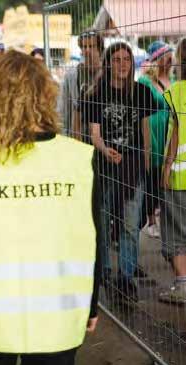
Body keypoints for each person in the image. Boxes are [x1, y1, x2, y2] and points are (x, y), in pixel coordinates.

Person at [0, 49, 99, 365]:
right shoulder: (77, 159)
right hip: (57, 319)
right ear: (46, 96)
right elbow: (89, 239)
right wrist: (92, 305)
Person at [86, 42, 158, 302]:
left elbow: (146, 131)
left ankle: (126, 277)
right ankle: (104, 270)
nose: (122, 64)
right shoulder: (96, 93)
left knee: (129, 224)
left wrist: (147, 165)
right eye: (116, 59)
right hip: (105, 165)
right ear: (108, 63)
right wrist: (105, 150)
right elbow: (94, 134)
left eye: (126, 59)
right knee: (103, 221)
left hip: (133, 165)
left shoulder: (141, 92)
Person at [138, 41, 174, 238]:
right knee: (151, 176)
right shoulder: (145, 82)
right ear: (157, 60)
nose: (169, 62)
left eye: (171, 58)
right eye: (166, 58)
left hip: (169, 131)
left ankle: (164, 219)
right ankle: (150, 219)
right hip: (152, 130)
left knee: (165, 177)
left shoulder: (174, 80)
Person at [160, 37, 186, 304]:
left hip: (180, 175)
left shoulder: (178, 91)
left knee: (176, 230)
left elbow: (176, 132)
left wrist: (166, 167)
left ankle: (182, 285)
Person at [59, 30, 103, 141]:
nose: (87, 50)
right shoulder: (72, 76)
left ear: (100, 49)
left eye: (91, 46)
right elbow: (64, 111)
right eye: (84, 47)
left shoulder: (109, 73)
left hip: (104, 140)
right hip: (79, 137)